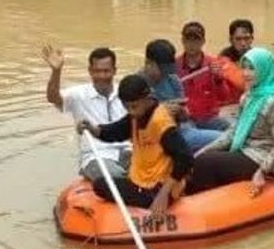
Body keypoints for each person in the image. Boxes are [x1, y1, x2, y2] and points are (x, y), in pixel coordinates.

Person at [76, 75, 192, 216]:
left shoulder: (161, 122)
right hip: (144, 180)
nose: (131, 111)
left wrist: (163, 194)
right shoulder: (137, 115)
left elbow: (185, 158)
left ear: (147, 99)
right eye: (127, 107)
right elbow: (116, 131)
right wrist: (92, 128)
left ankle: (154, 196)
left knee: (100, 185)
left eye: (134, 106)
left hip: (157, 187)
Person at [189, 48, 274, 196]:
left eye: (252, 68)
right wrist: (205, 149)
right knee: (200, 157)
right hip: (245, 147)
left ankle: (200, 204)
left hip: (262, 156)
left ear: (264, 69)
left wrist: (262, 171)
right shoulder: (249, 96)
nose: (245, 73)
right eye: (244, 67)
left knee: (205, 163)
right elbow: (234, 131)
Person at [43, 44, 130, 181]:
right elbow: (53, 98)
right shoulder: (78, 94)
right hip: (97, 156)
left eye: (106, 71)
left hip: (127, 152)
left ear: (114, 71)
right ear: (90, 71)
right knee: (116, 178)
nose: (101, 76)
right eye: (97, 71)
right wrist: (56, 71)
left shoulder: (126, 92)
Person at [143, 38, 222, 152]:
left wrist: (181, 111)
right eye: (162, 69)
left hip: (184, 128)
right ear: (148, 63)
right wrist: (162, 110)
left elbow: (185, 116)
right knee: (221, 138)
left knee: (226, 135)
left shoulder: (173, 79)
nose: (166, 73)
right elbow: (136, 120)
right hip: (162, 135)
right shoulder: (137, 84)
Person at [176, 21, 245, 131]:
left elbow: (224, 97)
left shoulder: (214, 63)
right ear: (183, 41)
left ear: (203, 41)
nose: (192, 44)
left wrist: (219, 79)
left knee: (235, 131)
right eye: (188, 39)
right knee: (187, 133)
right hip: (186, 120)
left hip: (209, 118)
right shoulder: (175, 66)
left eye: (196, 40)